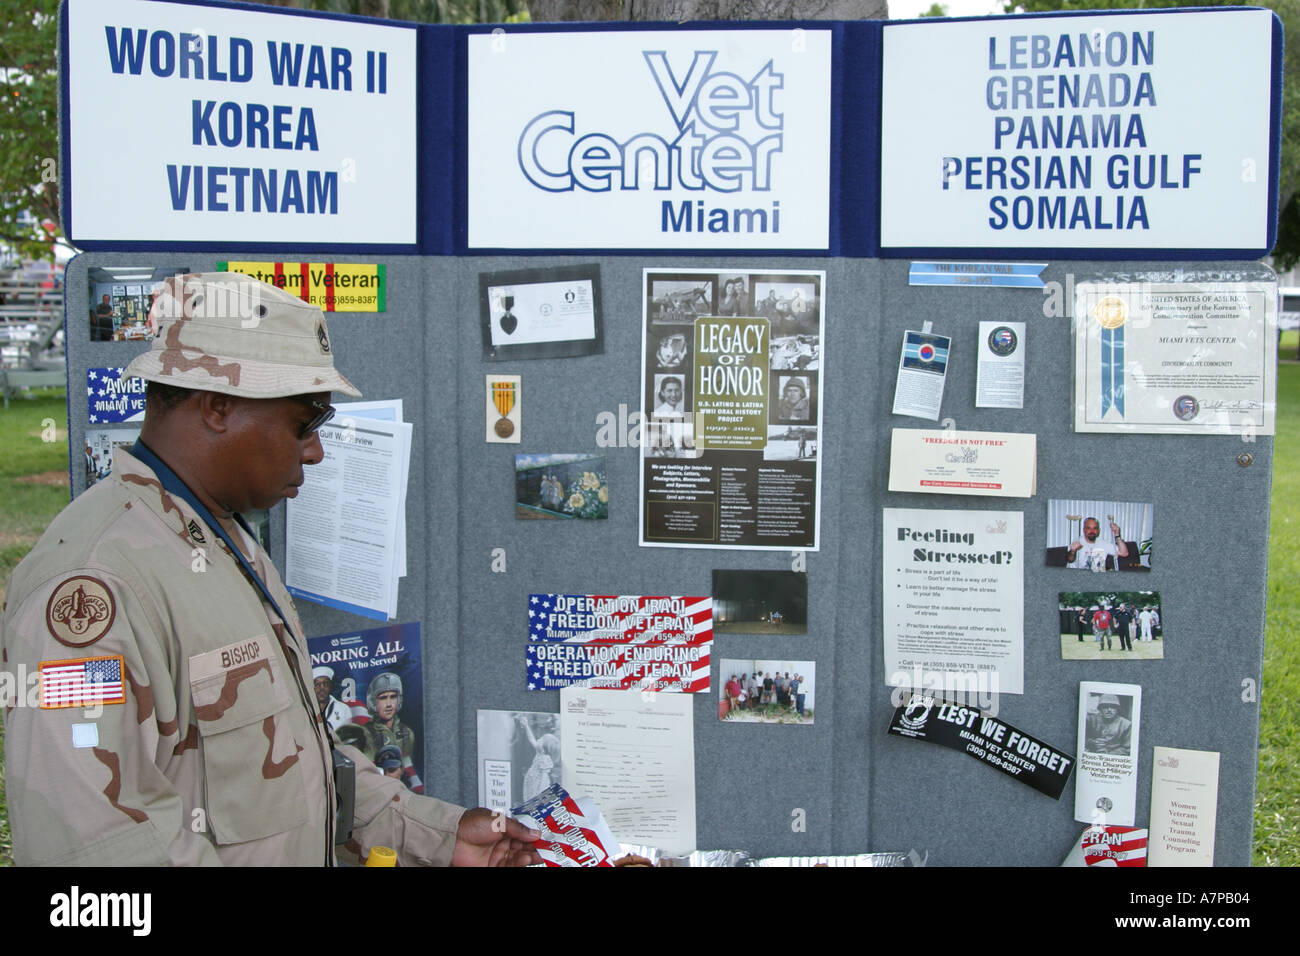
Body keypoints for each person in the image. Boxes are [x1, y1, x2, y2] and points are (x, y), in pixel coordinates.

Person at [0, 272, 539, 867]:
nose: (315, 450)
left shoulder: (223, 538)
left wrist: (437, 836)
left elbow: (292, 756)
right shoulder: (90, 590)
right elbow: (93, 851)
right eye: (304, 424)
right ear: (217, 407)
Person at [364, 672, 423, 794]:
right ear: (373, 701)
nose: (389, 704)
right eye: (383, 698)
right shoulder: (365, 733)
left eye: (393, 697)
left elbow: (408, 769)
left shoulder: (407, 732)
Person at [517, 714, 561, 801]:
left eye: (541, 739)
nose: (538, 739)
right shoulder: (540, 751)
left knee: (531, 800)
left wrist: (539, 795)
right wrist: (526, 726)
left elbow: (544, 779)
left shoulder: (544, 760)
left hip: (537, 787)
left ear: (543, 749)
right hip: (532, 782)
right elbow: (531, 739)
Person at [313, 665, 351, 732]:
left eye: (325, 684)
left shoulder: (344, 709)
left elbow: (348, 735)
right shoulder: (306, 709)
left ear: (331, 686)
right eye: (317, 684)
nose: (322, 688)